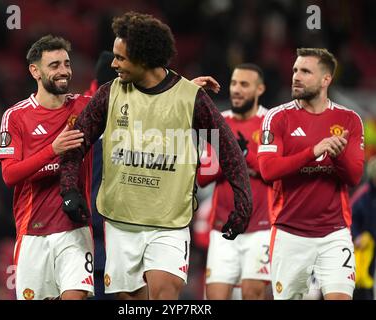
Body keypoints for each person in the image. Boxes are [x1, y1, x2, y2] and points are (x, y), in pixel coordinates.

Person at [59, 11, 252, 300]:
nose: (113, 64)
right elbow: (76, 144)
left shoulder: (191, 97)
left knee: (164, 293)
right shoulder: (109, 95)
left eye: (120, 58)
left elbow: (228, 147)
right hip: (121, 221)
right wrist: (69, 188)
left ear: (144, 59)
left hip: (169, 222)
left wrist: (242, 200)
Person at [257, 48, 364, 300]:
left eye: (305, 71)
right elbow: (268, 170)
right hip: (289, 233)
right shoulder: (277, 117)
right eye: (295, 70)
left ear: (326, 79)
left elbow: (354, 177)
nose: (296, 76)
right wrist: (314, 151)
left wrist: (337, 156)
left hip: (334, 233)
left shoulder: (349, 120)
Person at [0, 35, 95, 300]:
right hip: (33, 233)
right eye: (54, 65)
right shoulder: (16, 116)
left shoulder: (84, 106)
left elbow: (127, 101)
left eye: (66, 63)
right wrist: (53, 149)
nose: (64, 70)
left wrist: (178, 89)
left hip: (75, 230)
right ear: (35, 71)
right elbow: (9, 175)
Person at [198, 63, 272, 300]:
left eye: (244, 84)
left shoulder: (271, 122)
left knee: (253, 294)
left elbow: (272, 171)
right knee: (215, 296)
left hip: (260, 227)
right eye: (233, 83)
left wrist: (244, 156)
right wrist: (234, 156)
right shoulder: (219, 122)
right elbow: (203, 176)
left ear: (259, 89)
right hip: (222, 228)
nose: (237, 90)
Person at [351, 156, 376, 300]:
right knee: (362, 282)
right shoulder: (363, 195)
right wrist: (357, 236)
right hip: (364, 246)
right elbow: (350, 217)